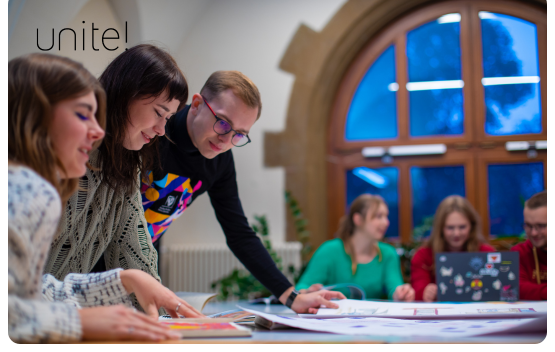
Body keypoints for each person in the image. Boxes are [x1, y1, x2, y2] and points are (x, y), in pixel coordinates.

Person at [8, 53, 201, 343]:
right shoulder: (30, 188)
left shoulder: (123, 168)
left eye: (169, 118)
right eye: (84, 114)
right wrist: (79, 320)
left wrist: (131, 283)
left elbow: (33, 292)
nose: (98, 130)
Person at [139, 70, 345, 313]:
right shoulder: (156, 129)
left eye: (239, 134)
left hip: (143, 261)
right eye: (223, 123)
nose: (226, 140)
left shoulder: (220, 161)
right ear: (196, 104)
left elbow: (239, 233)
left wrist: (291, 297)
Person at [44, 44, 190, 294]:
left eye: (167, 119)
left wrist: (162, 309)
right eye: (158, 113)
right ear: (126, 93)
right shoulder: (60, 151)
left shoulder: (127, 165)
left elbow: (136, 254)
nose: (160, 130)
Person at [295, 194, 415, 301]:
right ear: (358, 219)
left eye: (386, 216)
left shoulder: (388, 253)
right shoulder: (329, 250)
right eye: (378, 216)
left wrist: (402, 293)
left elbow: (394, 289)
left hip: (371, 322)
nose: (386, 222)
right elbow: (301, 288)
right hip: (333, 320)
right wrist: (308, 292)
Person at [411, 195, 495, 302]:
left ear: (472, 226)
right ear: (440, 228)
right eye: (450, 228)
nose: (456, 233)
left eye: (462, 227)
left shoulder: (487, 253)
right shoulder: (423, 256)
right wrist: (425, 292)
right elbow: (418, 290)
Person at [511, 191, 547, 300]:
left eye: (541, 226)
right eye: (528, 226)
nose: (533, 233)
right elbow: (516, 288)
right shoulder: (519, 252)